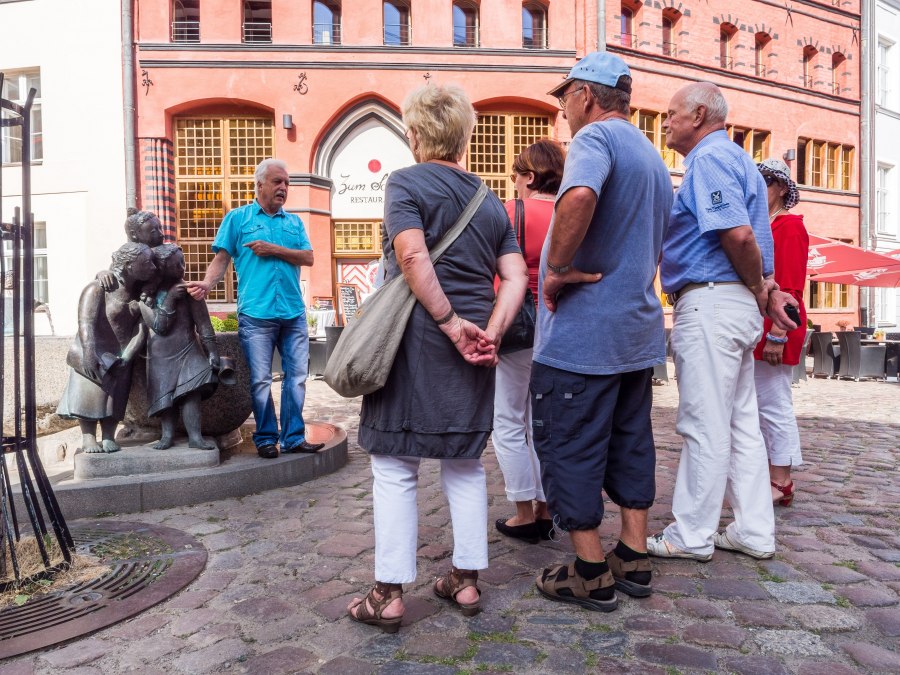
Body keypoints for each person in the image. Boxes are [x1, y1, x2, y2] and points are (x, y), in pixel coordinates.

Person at [346, 84, 527, 632]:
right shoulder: (489, 199)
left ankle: (388, 593)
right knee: (465, 462)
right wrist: (491, 332)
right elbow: (515, 275)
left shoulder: (405, 182)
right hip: (474, 348)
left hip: (413, 341)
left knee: (394, 464)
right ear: (465, 136)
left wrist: (449, 325)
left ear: (415, 134)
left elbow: (410, 254)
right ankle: (465, 579)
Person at [530, 52, 673, 612]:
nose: (562, 109)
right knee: (631, 441)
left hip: (584, 335)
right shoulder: (651, 154)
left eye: (564, 96)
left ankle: (590, 571)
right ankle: (632, 556)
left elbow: (581, 196)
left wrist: (557, 267)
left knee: (570, 444)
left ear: (585, 95)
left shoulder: (594, 138)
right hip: (635, 331)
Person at [648, 82, 799, 563]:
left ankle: (691, 534)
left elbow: (737, 235)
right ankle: (754, 530)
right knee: (740, 424)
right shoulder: (738, 160)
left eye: (672, 113)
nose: (666, 121)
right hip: (731, 303)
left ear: (698, 114)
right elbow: (749, 237)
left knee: (704, 423)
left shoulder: (710, 158)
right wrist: (764, 290)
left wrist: (760, 288)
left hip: (712, 300)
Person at [186, 158, 324, 459]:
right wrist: (207, 284)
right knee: (261, 381)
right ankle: (265, 438)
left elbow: (308, 257)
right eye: (277, 182)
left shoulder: (293, 223)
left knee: (297, 378)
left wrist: (272, 249)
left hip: (293, 313)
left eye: (286, 183)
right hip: (256, 315)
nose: (283, 188)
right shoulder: (238, 219)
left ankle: (293, 438)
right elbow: (222, 258)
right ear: (260, 184)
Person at [492, 139, 565, 545]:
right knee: (544, 423)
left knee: (508, 420)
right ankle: (546, 507)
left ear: (531, 177)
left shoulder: (512, 212)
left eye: (516, 176)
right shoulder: (572, 211)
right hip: (558, 327)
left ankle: (523, 512)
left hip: (517, 326)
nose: (515, 184)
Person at [58, 243, 157, 453]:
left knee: (115, 398)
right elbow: (85, 322)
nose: (153, 267)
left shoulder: (140, 294)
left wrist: (128, 356)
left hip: (121, 356)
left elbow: (140, 329)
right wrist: (89, 351)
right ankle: (88, 437)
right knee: (89, 395)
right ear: (129, 265)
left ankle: (109, 436)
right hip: (94, 350)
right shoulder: (97, 288)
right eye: (147, 263)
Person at [752, 159, 808, 507]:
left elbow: (790, 286)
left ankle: (782, 480)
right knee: (761, 404)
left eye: (766, 180)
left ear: (782, 187)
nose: (758, 186)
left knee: (774, 403)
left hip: (776, 326)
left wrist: (777, 333)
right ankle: (771, 474)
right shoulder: (766, 225)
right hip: (761, 326)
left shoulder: (788, 226)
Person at [143, 244, 221, 450]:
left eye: (183, 262)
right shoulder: (149, 295)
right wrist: (170, 299)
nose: (182, 268)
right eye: (176, 265)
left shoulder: (190, 291)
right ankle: (167, 435)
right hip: (161, 354)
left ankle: (195, 436)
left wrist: (212, 351)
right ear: (162, 268)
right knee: (165, 397)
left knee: (191, 393)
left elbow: (204, 324)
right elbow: (159, 327)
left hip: (189, 349)